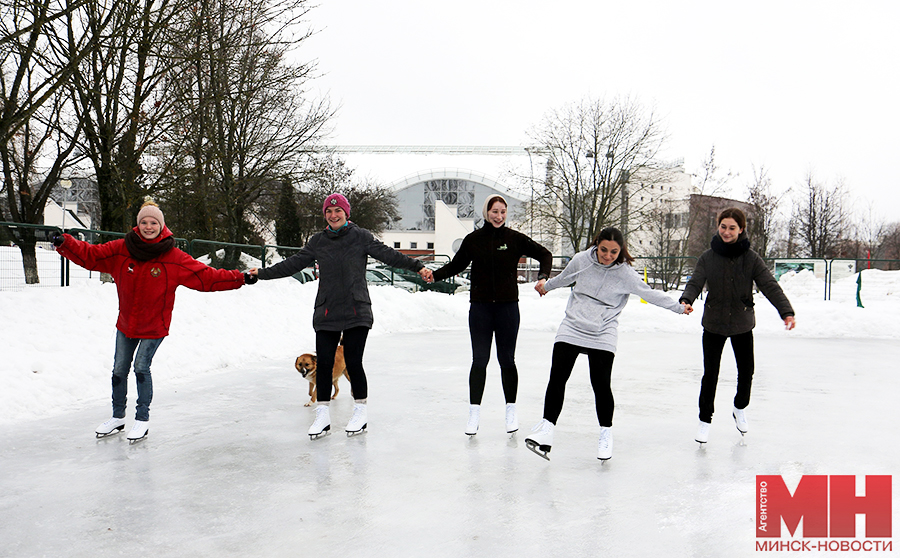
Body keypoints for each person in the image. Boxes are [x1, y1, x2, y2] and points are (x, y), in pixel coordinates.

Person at [51, 200, 251, 442]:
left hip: (154, 325)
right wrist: (66, 243)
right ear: (138, 225)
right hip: (126, 323)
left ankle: (142, 420)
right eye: (144, 222)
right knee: (118, 370)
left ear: (161, 226)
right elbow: (91, 256)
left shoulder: (173, 257)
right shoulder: (121, 249)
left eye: (153, 222)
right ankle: (117, 417)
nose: (148, 226)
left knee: (141, 368)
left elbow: (206, 277)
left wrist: (240, 278)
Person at [249, 193, 433, 438]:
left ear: (346, 214)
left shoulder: (361, 237)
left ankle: (360, 412)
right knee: (324, 364)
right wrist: (261, 273)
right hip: (327, 310)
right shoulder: (318, 241)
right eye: (329, 212)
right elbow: (292, 264)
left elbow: (390, 255)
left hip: (357, 308)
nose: (333, 215)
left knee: (353, 362)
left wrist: (418, 267)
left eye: (338, 211)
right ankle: (322, 415)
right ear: (325, 215)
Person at [525, 227, 691, 461]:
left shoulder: (626, 273)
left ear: (620, 251)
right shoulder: (582, 260)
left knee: (601, 384)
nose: (607, 256)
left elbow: (650, 293)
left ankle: (606, 434)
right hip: (573, 323)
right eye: (604, 250)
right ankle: (547, 431)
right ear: (596, 244)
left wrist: (678, 307)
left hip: (603, 329)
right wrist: (546, 286)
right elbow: (565, 278)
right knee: (558, 377)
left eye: (614, 252)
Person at [431, 194, 552, 436]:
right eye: (495, 211)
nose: (499, 216)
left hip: (507, 309)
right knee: (480, 361)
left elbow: (545, 255)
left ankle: (511, 410)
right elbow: (455, 265)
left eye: (503, 212)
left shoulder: (514, 239)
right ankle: (474, 413)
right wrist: (433, 276)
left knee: (507, 361)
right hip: (481, 309)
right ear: (486, 212)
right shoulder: (474, 240)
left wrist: (543, 277)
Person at [680, 207, 795, 444]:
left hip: (742, 323)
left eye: (732, 228)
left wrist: (786, 312)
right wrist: (686, 299)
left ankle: (739, 407)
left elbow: (770, 285)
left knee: (746, 372)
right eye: (723, 227)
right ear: (718, 227)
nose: (727, 232)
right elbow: (695, 281)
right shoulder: (708, 257)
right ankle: (704, 420)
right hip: (713, 323)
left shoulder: (751, 259)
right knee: (710, 374)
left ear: (741, 229)